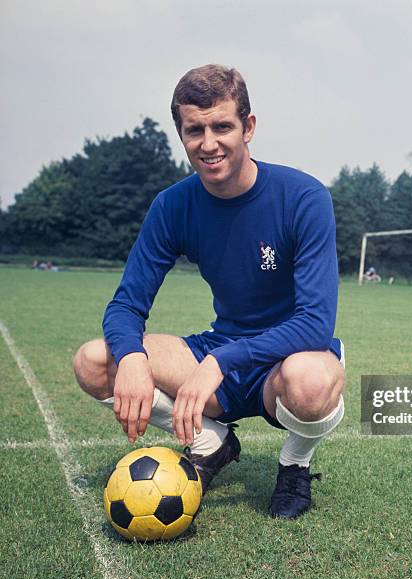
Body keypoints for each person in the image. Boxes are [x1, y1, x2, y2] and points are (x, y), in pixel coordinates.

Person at [72, 65, 345, 519]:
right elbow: (126, 304)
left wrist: (222, 361)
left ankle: (295, 465)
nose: (209, 143)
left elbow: (315, 324)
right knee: (96, 361)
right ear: (181, 134)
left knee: (311, 380)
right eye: (194, 130)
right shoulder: (172, 205)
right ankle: (212, 442)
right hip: (220, 350)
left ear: (248, 127)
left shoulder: (304, 197)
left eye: (222, 126)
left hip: (286, 360)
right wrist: (133, 358)